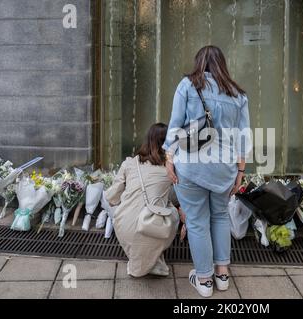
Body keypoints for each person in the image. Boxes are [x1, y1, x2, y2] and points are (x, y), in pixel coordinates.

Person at [163, 45, 251, 298]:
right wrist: (240, 171)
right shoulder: (238, 95)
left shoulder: (188, 85)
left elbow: (175, 123)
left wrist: (169, 157)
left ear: (199, 62)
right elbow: (244, 137)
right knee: (221, 216)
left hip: (191, 166)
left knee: (197, 221)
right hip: (224, 168)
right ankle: (222, 275)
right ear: (223, 65)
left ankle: (204, 280)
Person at [106, 123, 179, 278]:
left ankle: (143, 256)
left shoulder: (129, 163)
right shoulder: (171, 169)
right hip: (155, 226)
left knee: (116, 206)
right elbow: (180, 196)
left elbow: (111, 197)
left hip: (126, 227)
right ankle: (154, 256)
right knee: (172, 209)